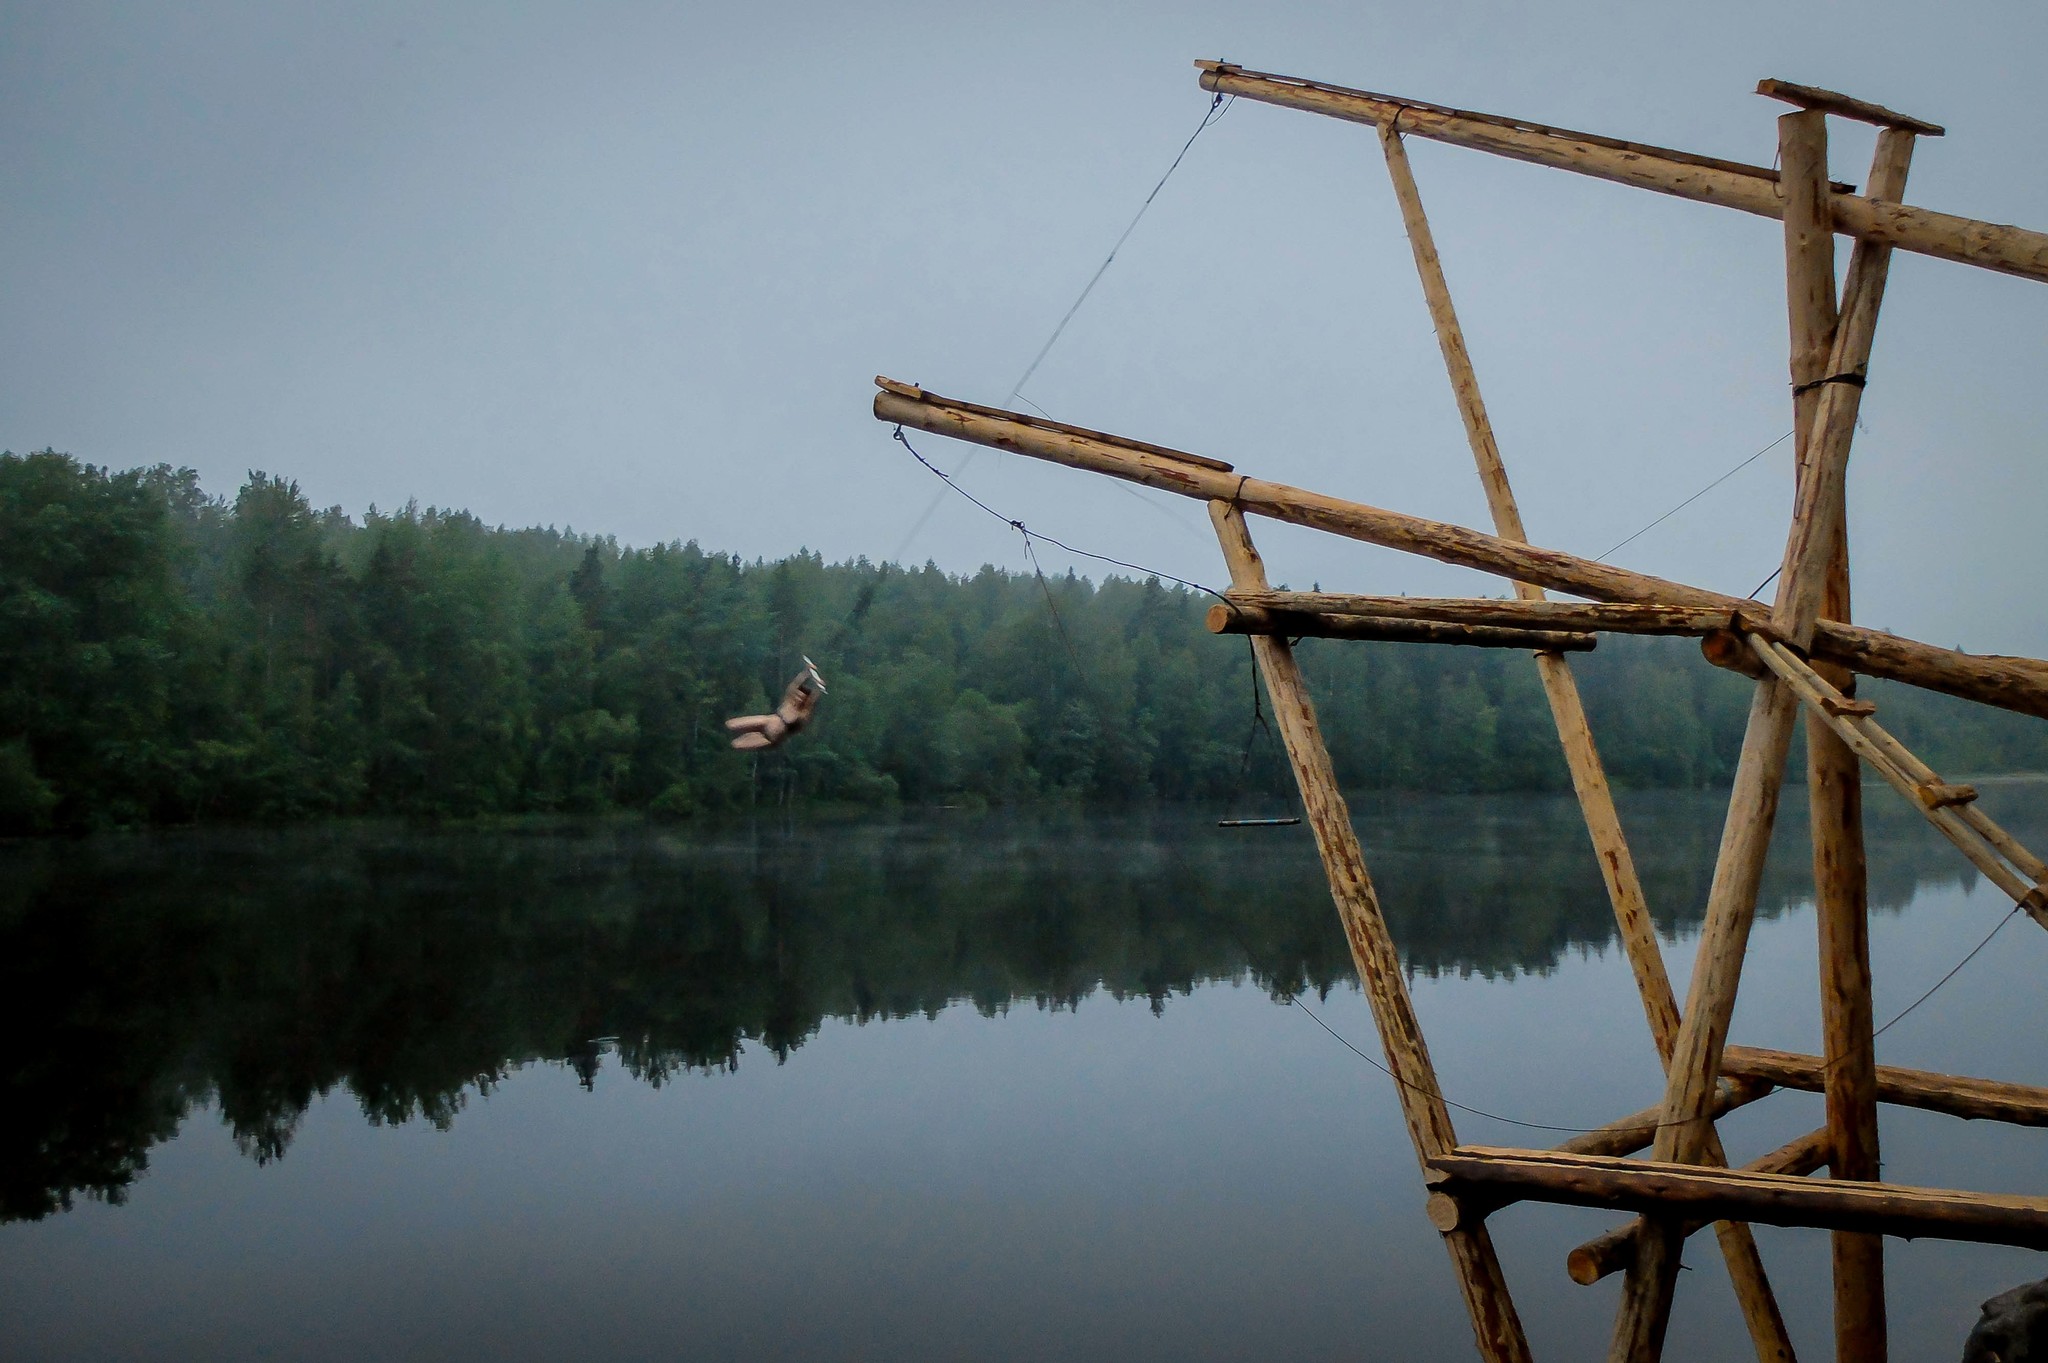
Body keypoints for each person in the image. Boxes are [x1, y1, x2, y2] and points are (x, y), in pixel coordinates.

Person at [725, 659, 826, 751]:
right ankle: (749, 733)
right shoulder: (788, 701)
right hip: (768, 720)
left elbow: (811, 703)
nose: (798, 699)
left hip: (770, 738)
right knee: (730, 724)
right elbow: (795, 684)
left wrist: (818, 688)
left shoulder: (802, 713)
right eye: (798, 696)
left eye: (801, 698)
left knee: (736, 745)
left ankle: (753, 734)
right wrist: (806, 672)